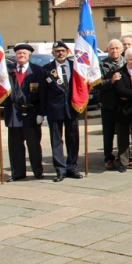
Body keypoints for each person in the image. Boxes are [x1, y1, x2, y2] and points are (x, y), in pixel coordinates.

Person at [39, 41, 82, 182]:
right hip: (54, 110)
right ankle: (60, 170)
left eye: (63, 50)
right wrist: (42, 112)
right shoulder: (46, 69)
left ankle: (72, 167)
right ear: (53, 53)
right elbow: (42, 94)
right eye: (57, 51)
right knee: (56, 141)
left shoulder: (76, 67)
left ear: (67, 52)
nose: (60, 53)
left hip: (72, 109)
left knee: (73, 140)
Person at [4, 43, 44, 181]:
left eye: (24, 53)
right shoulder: (8, 71)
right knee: (15, 146)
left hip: (32, 113)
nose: (21, 55)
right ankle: (18, 173)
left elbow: (42, 95)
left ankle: (38, 171)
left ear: (29, 56)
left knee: (34, 145)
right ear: (16, 55)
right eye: (19, 53)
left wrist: (41, 113)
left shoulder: (38, 71)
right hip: (14, 114)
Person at [99, 39, 124, 170]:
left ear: (121, 50)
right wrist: (111, 81)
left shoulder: (126, 62)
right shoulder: (102, 65)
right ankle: (108, 158)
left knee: (123, 132)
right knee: (108, 133)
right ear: (108, 50)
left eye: (117, 48)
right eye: (112, 48)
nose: (114, 51)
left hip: (123, 104)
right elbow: (97, 84)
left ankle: (123, 157)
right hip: (108, 104)